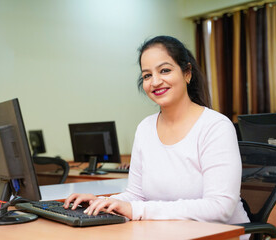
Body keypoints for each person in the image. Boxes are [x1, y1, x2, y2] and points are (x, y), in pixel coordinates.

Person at [64, 36, 250, 231]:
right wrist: (102, 201)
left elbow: (220, 208)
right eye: (147, 75)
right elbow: (136, 195)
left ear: (187, 73)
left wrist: (138, 210)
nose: (155, 81)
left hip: (220, 234)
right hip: (169, 232)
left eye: (165, 70)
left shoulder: (215, 126)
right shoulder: (145, 128)